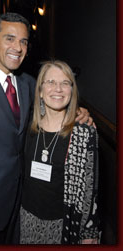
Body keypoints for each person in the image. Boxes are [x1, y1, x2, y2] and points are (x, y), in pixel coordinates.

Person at [0, 13, 92, 245]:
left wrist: (79, 112)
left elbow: (54, 97)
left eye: (23, 41)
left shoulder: (28, 84)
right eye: (9, 39)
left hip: (20, 202)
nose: (18, 47)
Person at [20, 60, 100, 244]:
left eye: (65, 83)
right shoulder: (27, 127)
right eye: (51, 82)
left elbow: (91, 189)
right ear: (40, 91)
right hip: (27, 218)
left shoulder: (84, 132)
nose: (58, 89)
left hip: (64, 224)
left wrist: (89, 233)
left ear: (72, 91)